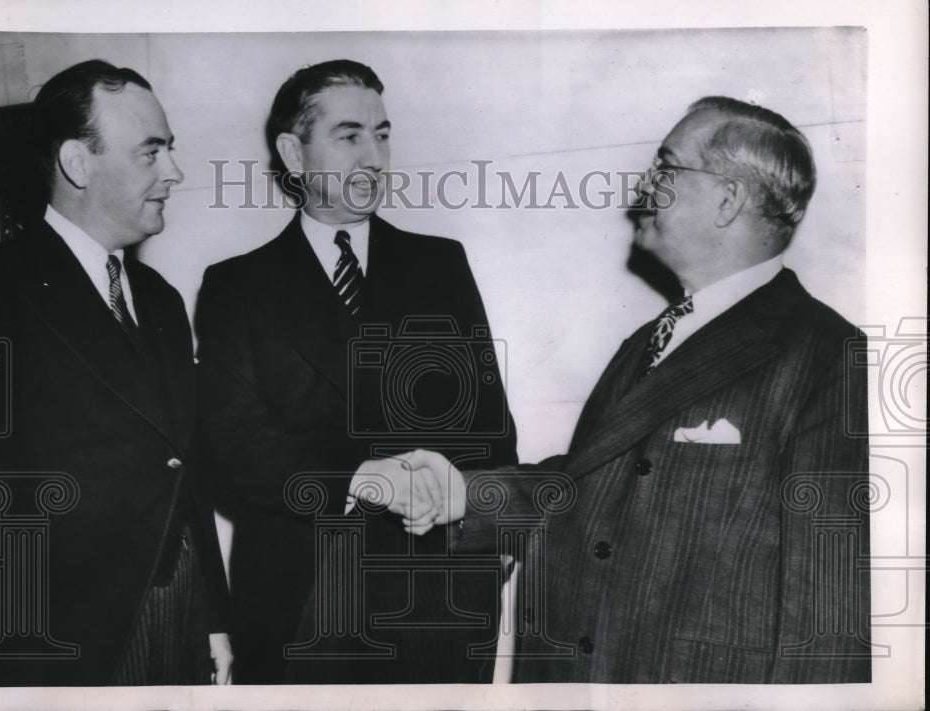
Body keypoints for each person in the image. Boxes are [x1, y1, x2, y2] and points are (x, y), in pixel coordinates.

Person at [396, 96, 871, 683]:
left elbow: (830, 617)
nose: (643, 186)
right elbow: (587, 485)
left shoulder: (827, 355)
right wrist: (465, 495)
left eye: (666, 167)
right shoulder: (648, 340)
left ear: (728, 200)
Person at [195, 59, 518, 684]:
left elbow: (491, 428)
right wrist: (363, 477)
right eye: (350, 136)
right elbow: (231, 447)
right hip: (299, 597)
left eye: (383, 133)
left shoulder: (440, 264)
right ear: (294, 153)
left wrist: (481, 529)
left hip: (436, 596)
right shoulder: (238, 285)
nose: (374, 155)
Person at [0, 59, 232, 686]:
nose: (175, 172)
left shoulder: (160, 297)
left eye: (171, 150)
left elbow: (180, 466)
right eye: (150, 152)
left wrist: (214, 618)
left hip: (178, 616)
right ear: (79, 163)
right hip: (60, 643)